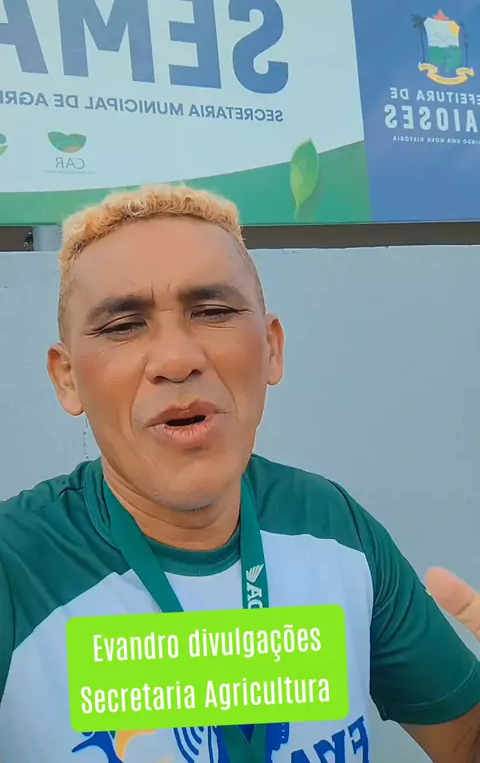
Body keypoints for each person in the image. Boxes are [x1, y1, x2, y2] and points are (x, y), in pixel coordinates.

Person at [0, 184, 479, 763]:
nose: (177, 361)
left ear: (272, 348)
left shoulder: (333, 525)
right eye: (123, 325)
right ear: (67, 378)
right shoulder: (15, 569)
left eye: (213, 312)